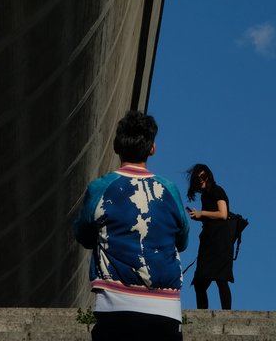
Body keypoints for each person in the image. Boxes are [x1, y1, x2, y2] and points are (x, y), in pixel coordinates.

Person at [73, 110, 190, 340]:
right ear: (152, 148)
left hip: (115, 306)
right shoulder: (169, 190)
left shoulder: (100, 188)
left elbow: (83, 234)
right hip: (165, 309)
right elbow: (183, 239)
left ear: (116, 146)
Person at [186, 163, 233, 310]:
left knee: (221, 279)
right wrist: (199, 217)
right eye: (197, 177)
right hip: (209, 242)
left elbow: (223, 214)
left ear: (209, 176)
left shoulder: (217, 190)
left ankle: (227, 316)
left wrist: (202, 213)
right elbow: (213, 217)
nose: (201, 179)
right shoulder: (205, 196)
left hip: (220, 242)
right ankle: (203, 315)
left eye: (203, 176)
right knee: (200, 283)